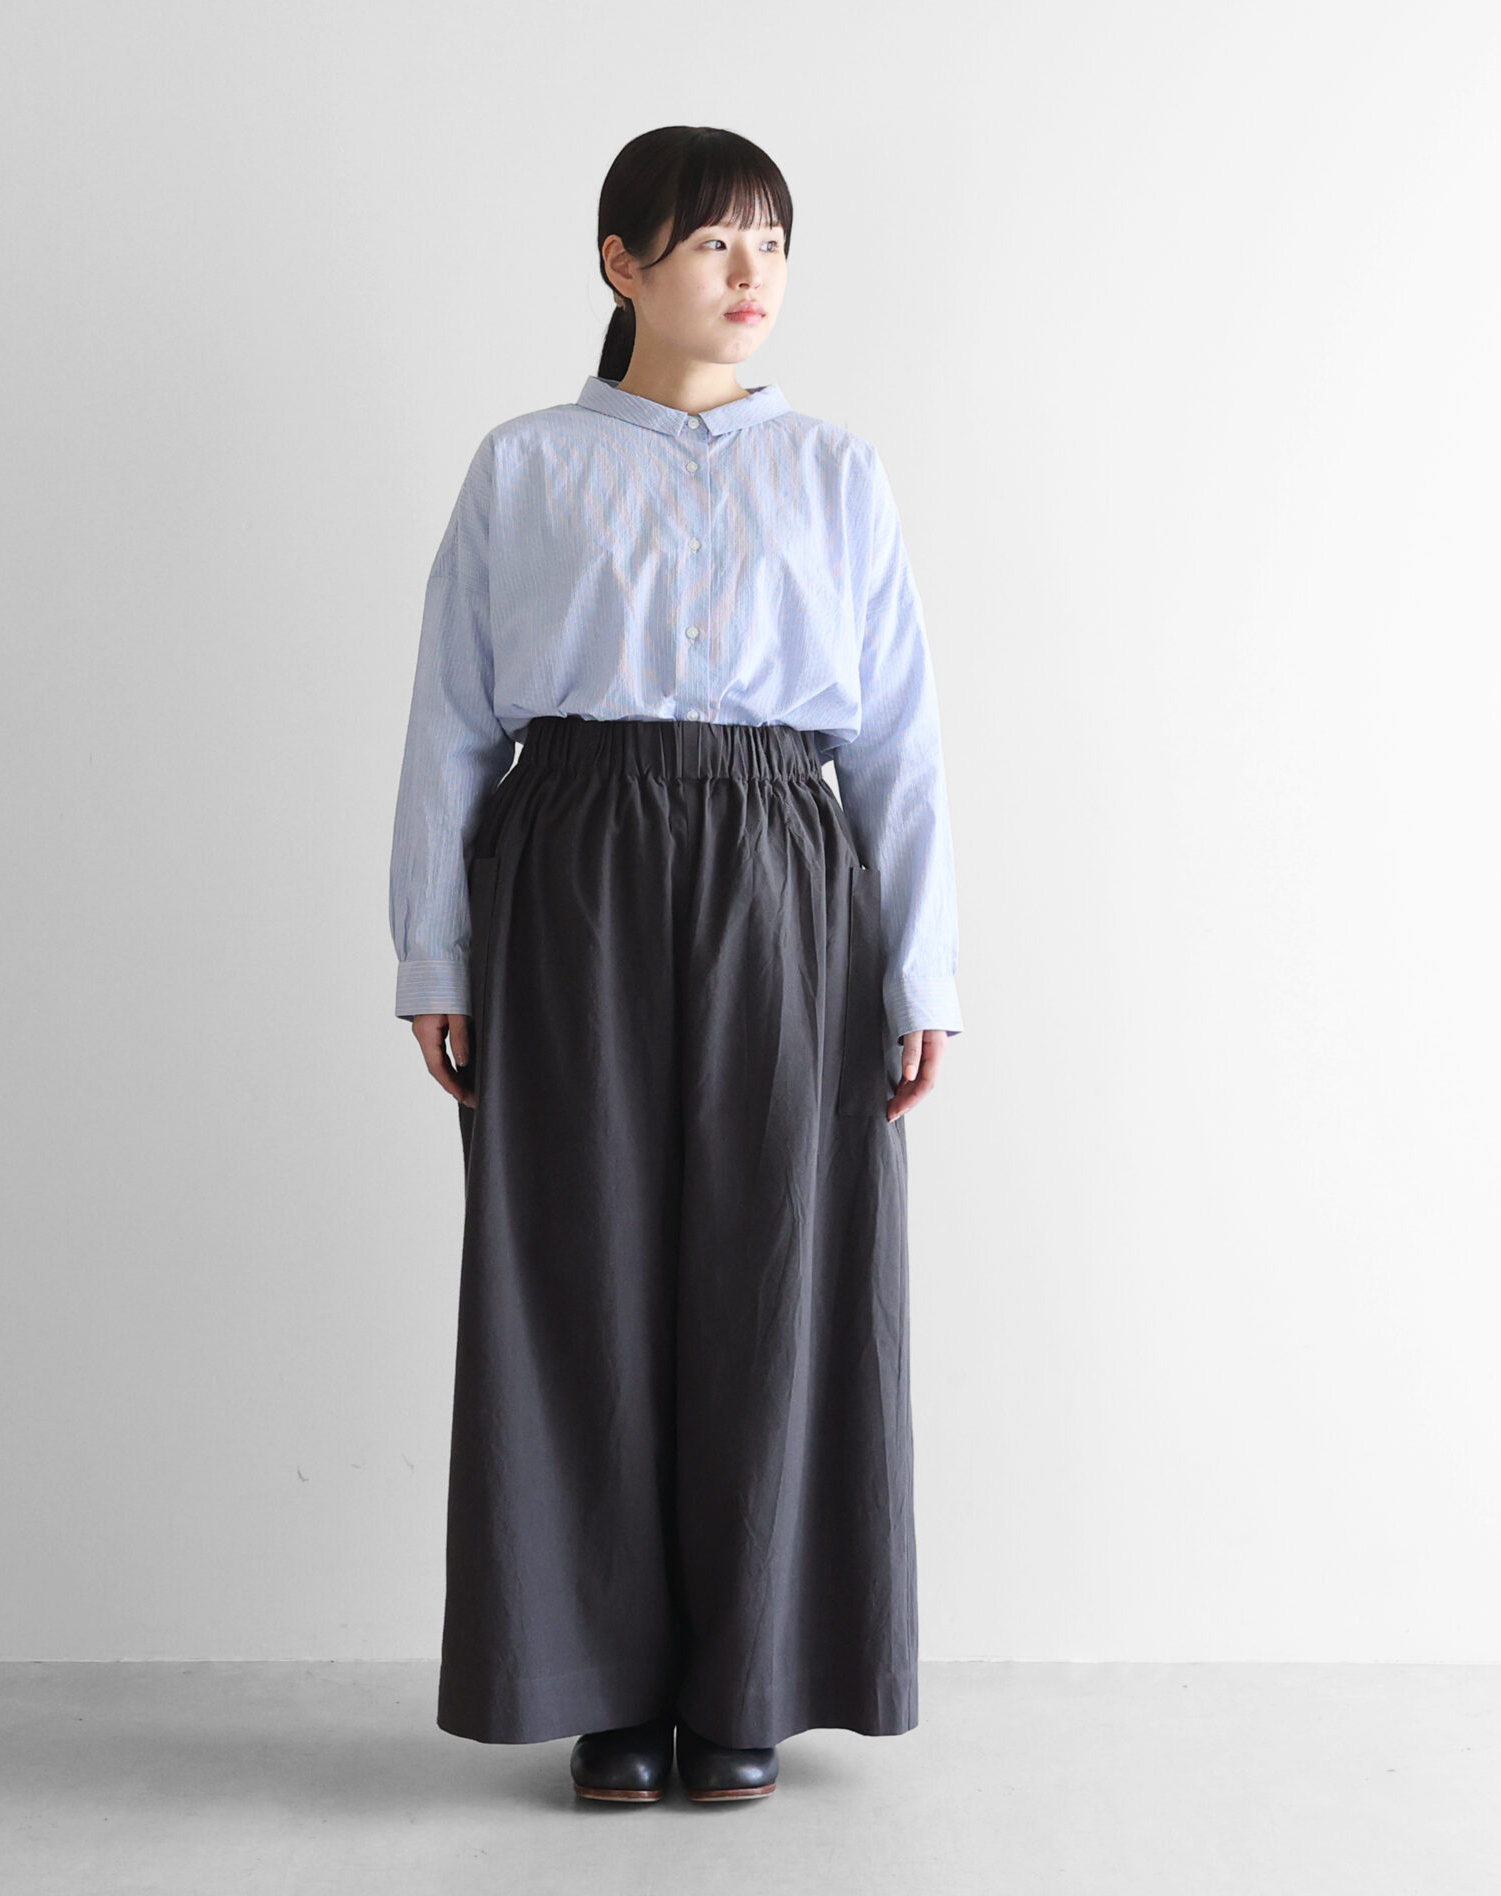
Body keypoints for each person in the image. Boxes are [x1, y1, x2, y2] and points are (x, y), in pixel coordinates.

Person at [387, 125, 963, 1805]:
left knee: (776, 1267)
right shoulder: (525, 467)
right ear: (622, 263)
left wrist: (921, 975)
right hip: (569, 864)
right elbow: (449, 721)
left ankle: (750, 1681)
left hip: (784, 869)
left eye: (771, 241)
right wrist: (434, 949)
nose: (751, 272)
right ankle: (603, 1687)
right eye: (714, 241)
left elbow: (901, 742)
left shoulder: (838, 472)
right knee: (576, 1268)